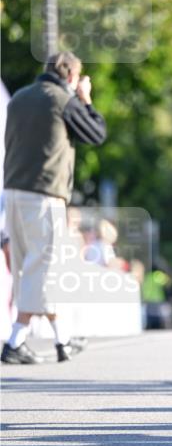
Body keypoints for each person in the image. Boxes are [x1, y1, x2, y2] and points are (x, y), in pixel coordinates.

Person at [1, 52, 107, 364]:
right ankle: (16, 339)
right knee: (44, 268)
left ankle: (62, 340)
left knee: (27, 266)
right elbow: (96, 133)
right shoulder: (62, 99)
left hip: (14, 191)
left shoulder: (19, 97)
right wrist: (85, 99)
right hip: (45, 193)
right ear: (71, 75)